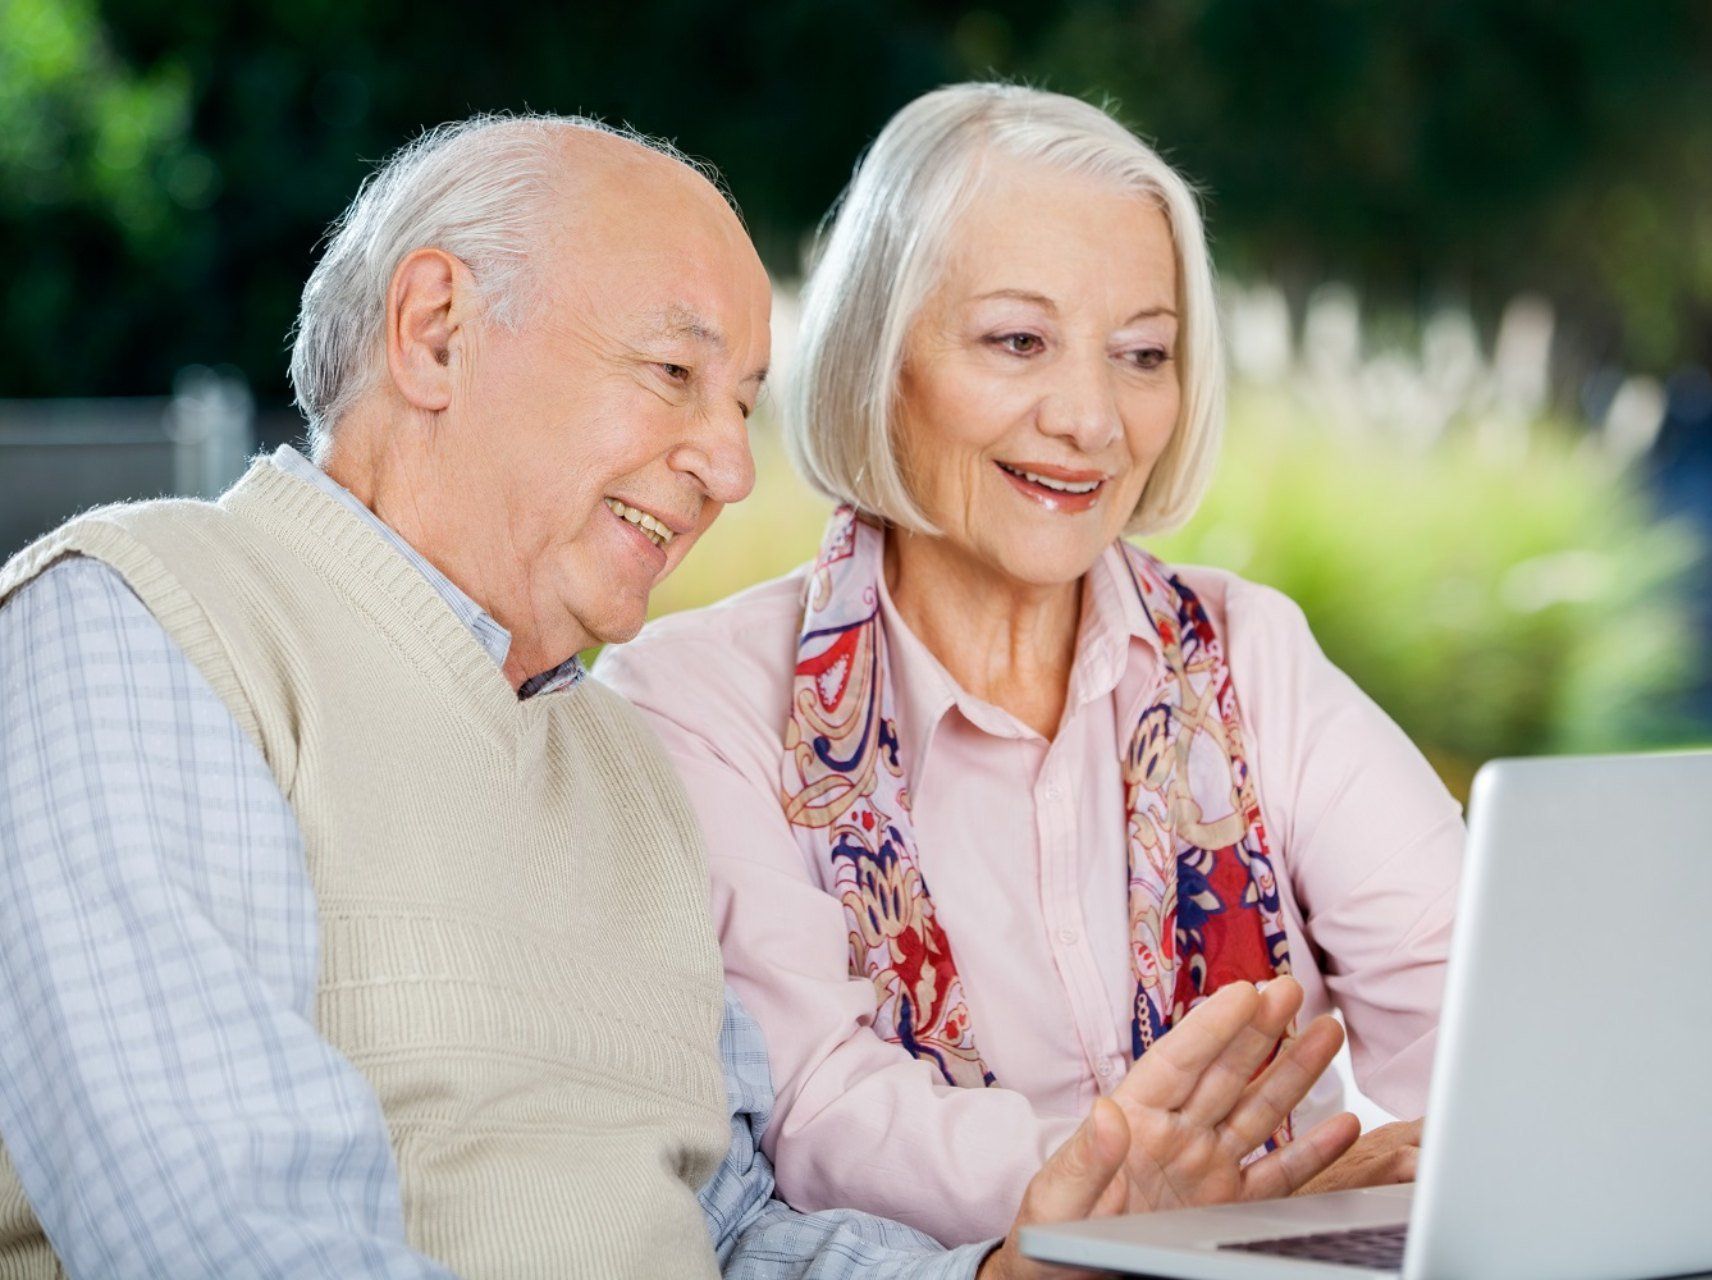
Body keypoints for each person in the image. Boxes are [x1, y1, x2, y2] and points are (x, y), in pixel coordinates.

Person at [0, 111, 1363, 1280]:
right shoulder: (143, 621)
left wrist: (1005, 1273)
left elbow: (733, 1232)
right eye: (673, 375)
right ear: (434, 334)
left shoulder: (620, 757)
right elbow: (230, 1242)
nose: (728, 465)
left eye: (743, 404)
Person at [597, 83, 1465, 1247]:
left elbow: (1469, 1004)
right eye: (1018, 340)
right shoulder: (697, 700)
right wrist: (1197, 1192)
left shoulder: (1248, 652)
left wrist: (1457, 1141)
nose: (1092, 419)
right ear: (877, 352)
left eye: (1142, 353)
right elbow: (821, 1109)